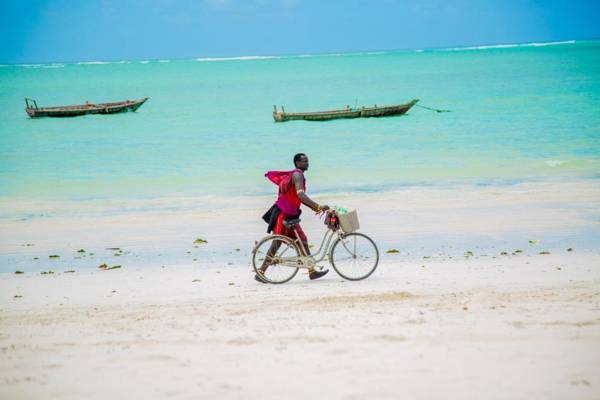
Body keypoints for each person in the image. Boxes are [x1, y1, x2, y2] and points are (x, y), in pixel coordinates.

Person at [256, 153, 330, 282]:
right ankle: (261, 272)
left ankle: (311, 271)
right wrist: (318, 207)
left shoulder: (296, 174)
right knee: (277, 241)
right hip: (283, 213)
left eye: (307, 161)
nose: (307, 163)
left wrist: (316, 208)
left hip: (290, 213)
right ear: (297, 163)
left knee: (303, 240)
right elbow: (301, 195)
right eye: (304, 161)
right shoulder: (297, 175)